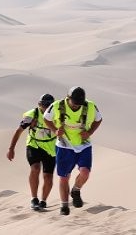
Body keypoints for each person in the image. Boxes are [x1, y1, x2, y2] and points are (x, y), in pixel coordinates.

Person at [43, 86, 102, 215]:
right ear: (68, 98)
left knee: (85, 172)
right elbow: (46, 118)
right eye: (74, 103)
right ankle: (64, 206)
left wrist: (90, 132)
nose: (76, 106)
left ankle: (76, 190)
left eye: (79, 104)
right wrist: (55, 130)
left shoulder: (90, 106)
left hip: (84, 145)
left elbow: (99, 119)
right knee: (64, 177)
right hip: (64, 146)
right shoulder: (57, 105)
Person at [7, 94, 56, 210]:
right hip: (34, 144)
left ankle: (43, 201)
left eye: (49, 106)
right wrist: (11, 149)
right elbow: (19, 131)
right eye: (44, 105)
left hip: (51, 147)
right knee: (35, 168)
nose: (46, 108)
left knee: (48, 176)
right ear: (39, 104)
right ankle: (34, 199)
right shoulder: (31, 115)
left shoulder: (57, 114)